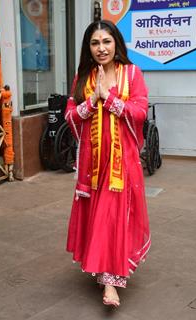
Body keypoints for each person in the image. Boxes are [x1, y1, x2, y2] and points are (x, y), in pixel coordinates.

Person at [65, 19, 151, 307]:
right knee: (98, 219)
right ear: (88, 48)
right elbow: (70, 116)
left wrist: (110, 97)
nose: (101, 48)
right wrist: (92, 100)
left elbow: (140, 112)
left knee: (113, 218)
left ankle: (111, 283)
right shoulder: (84, 77)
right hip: (92, 166)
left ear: (116, 44)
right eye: (95, 43)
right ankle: (102, 269)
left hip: (121, 164)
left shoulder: (132, 73)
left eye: (106, 41)